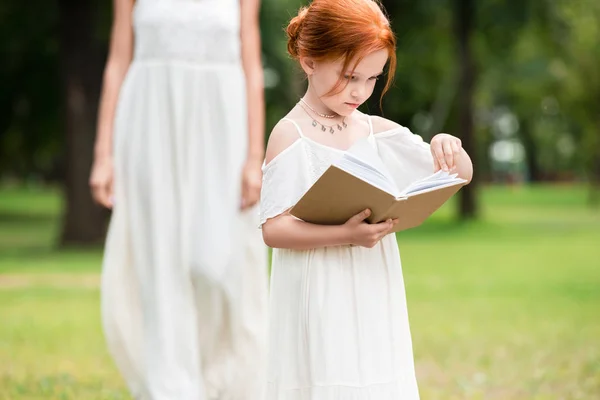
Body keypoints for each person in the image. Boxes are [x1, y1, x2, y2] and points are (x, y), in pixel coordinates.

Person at [259, 0, 473, 398]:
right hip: (319, 289)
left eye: (372, 79)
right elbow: (273, 228)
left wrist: (448, 145)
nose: (360, 91)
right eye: (349, 76)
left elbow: (460, 173)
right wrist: (345, 234)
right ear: (309, 61)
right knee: (327, 377)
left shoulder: (374, 130)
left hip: (372, 284)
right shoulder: (291, 134)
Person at [89, 0, 268, 398]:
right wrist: (104, 155)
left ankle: (223, 382)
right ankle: (170, 387)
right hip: (149, 124)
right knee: (159, 260)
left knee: (217, 263)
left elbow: (252, 67)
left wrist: (255, 157)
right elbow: (118, 62)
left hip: (222, 129)